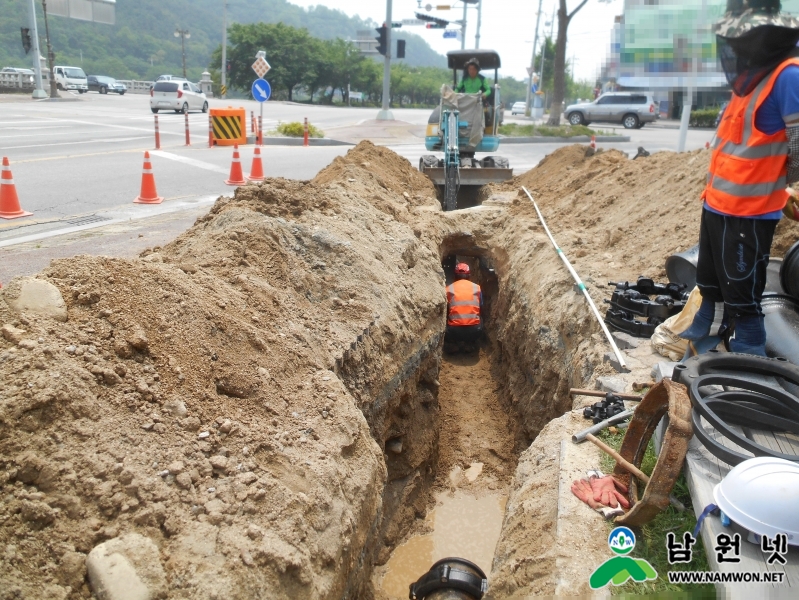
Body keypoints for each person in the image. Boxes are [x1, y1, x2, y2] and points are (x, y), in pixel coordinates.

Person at [679, 0, 799, 356]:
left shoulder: (787, 76)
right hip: (718, 203)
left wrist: (784, 183)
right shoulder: (749, 82)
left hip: (749, 210)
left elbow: (798, 142)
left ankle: (749, 361)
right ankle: (709, 340)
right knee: (712, 284)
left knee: (743, 292)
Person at [444, 263, 483, 352]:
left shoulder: (448, 289)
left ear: (455, 275)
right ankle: (470, 344)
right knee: (481, 317)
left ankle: (453, 344)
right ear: (469, 275)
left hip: (453, 332)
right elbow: (481, 307)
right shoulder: (477, 288)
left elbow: (446, 310)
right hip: (474, 331)